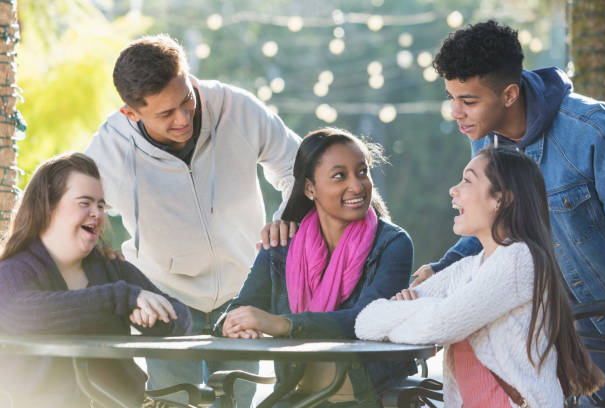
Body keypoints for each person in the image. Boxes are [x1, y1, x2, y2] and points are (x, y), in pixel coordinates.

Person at [84, 34, 301, 405]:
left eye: (187, 100)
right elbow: (77, 207)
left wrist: (287, 217)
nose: (183, 118)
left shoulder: (237, 108)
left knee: (235, 401)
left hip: (244, 291)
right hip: (165, 299)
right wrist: (101, 251)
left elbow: (300, 166)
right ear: (131, 113)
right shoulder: (109, 148)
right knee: (172, 403)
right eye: (165, 114)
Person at [409, 20, 605, 405]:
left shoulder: (591, 131)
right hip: (553, 338)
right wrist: (440, 269)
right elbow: (490, 224)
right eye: (451, 97)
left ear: (509, 94)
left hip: (604, 330)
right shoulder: (486, 140)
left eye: (468, 101)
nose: (456, 112)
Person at [356, 147, 605, 407]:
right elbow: (365, 322)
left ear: (501, 199)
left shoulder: (520, 259)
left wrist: (420, 310)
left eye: (467, 180)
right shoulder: (468, 268)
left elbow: (440, 326)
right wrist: (435, 313)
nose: (454, 190)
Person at [215, 127, 416, 407]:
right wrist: (234, 324)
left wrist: (282, 324)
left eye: (362, 172)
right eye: (339, 176)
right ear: (310, 188)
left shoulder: (392, 244)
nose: (357, 186)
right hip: (295, 395)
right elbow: (237, 310)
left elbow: (366, 320)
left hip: (365, 397)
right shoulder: (281, 245)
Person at [0, 152, 191, 408]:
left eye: (101, 205)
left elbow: (182, 317)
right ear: (48, 206)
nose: (97, 214)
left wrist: (155, 318)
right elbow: (20, 314)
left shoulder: (111, 267)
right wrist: (121, 298)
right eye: (85, 203)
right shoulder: (13, 270)